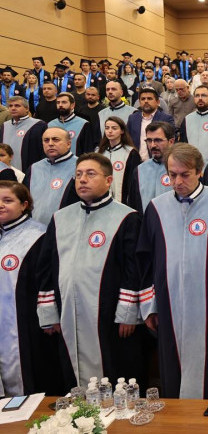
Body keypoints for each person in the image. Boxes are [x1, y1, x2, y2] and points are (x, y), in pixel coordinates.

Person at [137, 143, 208, 399]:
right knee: (175, 373)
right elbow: (146, 260)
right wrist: (149, 305)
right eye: (172, 175)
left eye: (184, 174)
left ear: (200, 172)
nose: (177, 181)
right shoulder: (156, 208)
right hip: (170, 303)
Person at [36, 153, 143, 388]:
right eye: (78, 175)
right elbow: (46, 267)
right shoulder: (61, 217)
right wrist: (48, 312)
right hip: (67, 311)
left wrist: (128, 313)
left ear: (108, 180)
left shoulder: (126, 216)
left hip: (108, 313)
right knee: (71, 376)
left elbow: (133, 269)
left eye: (90, 174)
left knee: (113, 373)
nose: (82, 179)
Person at [0, 181, 50, 396]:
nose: (0, 205)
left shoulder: (38, 236)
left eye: (7, 200)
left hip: (24, 326)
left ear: (25, 204)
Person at [22, 127, 79, 224]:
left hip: (65, 229)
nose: (50, 144)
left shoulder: (81, 167)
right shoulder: (34, 168)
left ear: (68, 144)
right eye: (46, 140)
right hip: (35, 232)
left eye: (55, 139)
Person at [128, 122, 175, 213]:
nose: (153, 145)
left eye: (158, 140)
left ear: (171, 142)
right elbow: (133, 205)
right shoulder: (139, 170)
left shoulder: (181, 169)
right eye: (149, 140)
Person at [97, 116, 141, 204]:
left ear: (122, 131)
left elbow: (133, 182)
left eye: (114, 128)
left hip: (123, 200)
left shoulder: (130, 153)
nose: (110, 131)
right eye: (107, 128)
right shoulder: (99, 152)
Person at [0, 96, 47, 172]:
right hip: (6, 172)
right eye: (10, 106)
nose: (13, 108)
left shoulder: (39, 125)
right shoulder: (5, 126)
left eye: (17, 106)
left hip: (29, 171)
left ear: (27, 109)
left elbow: (43, 152)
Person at [127, 87, 175, 160]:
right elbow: (128, 141)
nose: (146, 101)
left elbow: (171, 143)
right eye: (143, 99)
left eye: (149, 98)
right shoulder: (132, 118)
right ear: (139, 102)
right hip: (136, 162)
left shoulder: (166, 119)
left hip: (159, 162)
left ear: (158, 102)